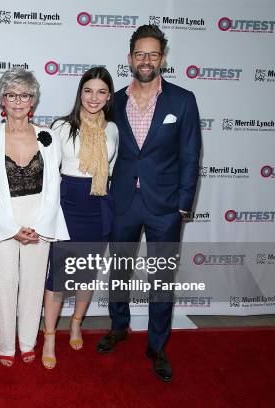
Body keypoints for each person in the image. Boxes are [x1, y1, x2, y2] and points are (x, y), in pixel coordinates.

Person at [96, 25, 201, 382]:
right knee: (120, 270)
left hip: (165, 205)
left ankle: (157, 345)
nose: (145, 60)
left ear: (163, 59)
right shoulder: (115, 101)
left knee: (161, 278)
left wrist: (184, 204)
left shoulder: (182, 100)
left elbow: (190, 153)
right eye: (139, 54)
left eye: (153, 54)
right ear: (130, 59)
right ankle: (119, 326)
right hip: (123, 200)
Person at [0, 68, 69, 367]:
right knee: (5, 284)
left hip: (40, 217)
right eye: (11, 95)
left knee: (32, 285)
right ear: (2, 101)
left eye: (25, 95)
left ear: (33, 101)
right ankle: (6, 345)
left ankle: (28, 342)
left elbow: (54, 185)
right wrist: (12, 227)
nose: (18, 101)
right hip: (4, 218)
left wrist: (41, 223)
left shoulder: (49, 137)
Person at [42, 67, 118, 369]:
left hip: (99, 205)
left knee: (87, 274)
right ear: (80, 93)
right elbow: (47, 172)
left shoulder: (112, 129)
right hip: (68, 204)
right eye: (88, 90)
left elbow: (115, 170)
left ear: (109, 96)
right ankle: (49, 335)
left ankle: (75, 323)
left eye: (101, 92)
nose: (94, 98)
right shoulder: (60, 127)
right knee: (57, 278)